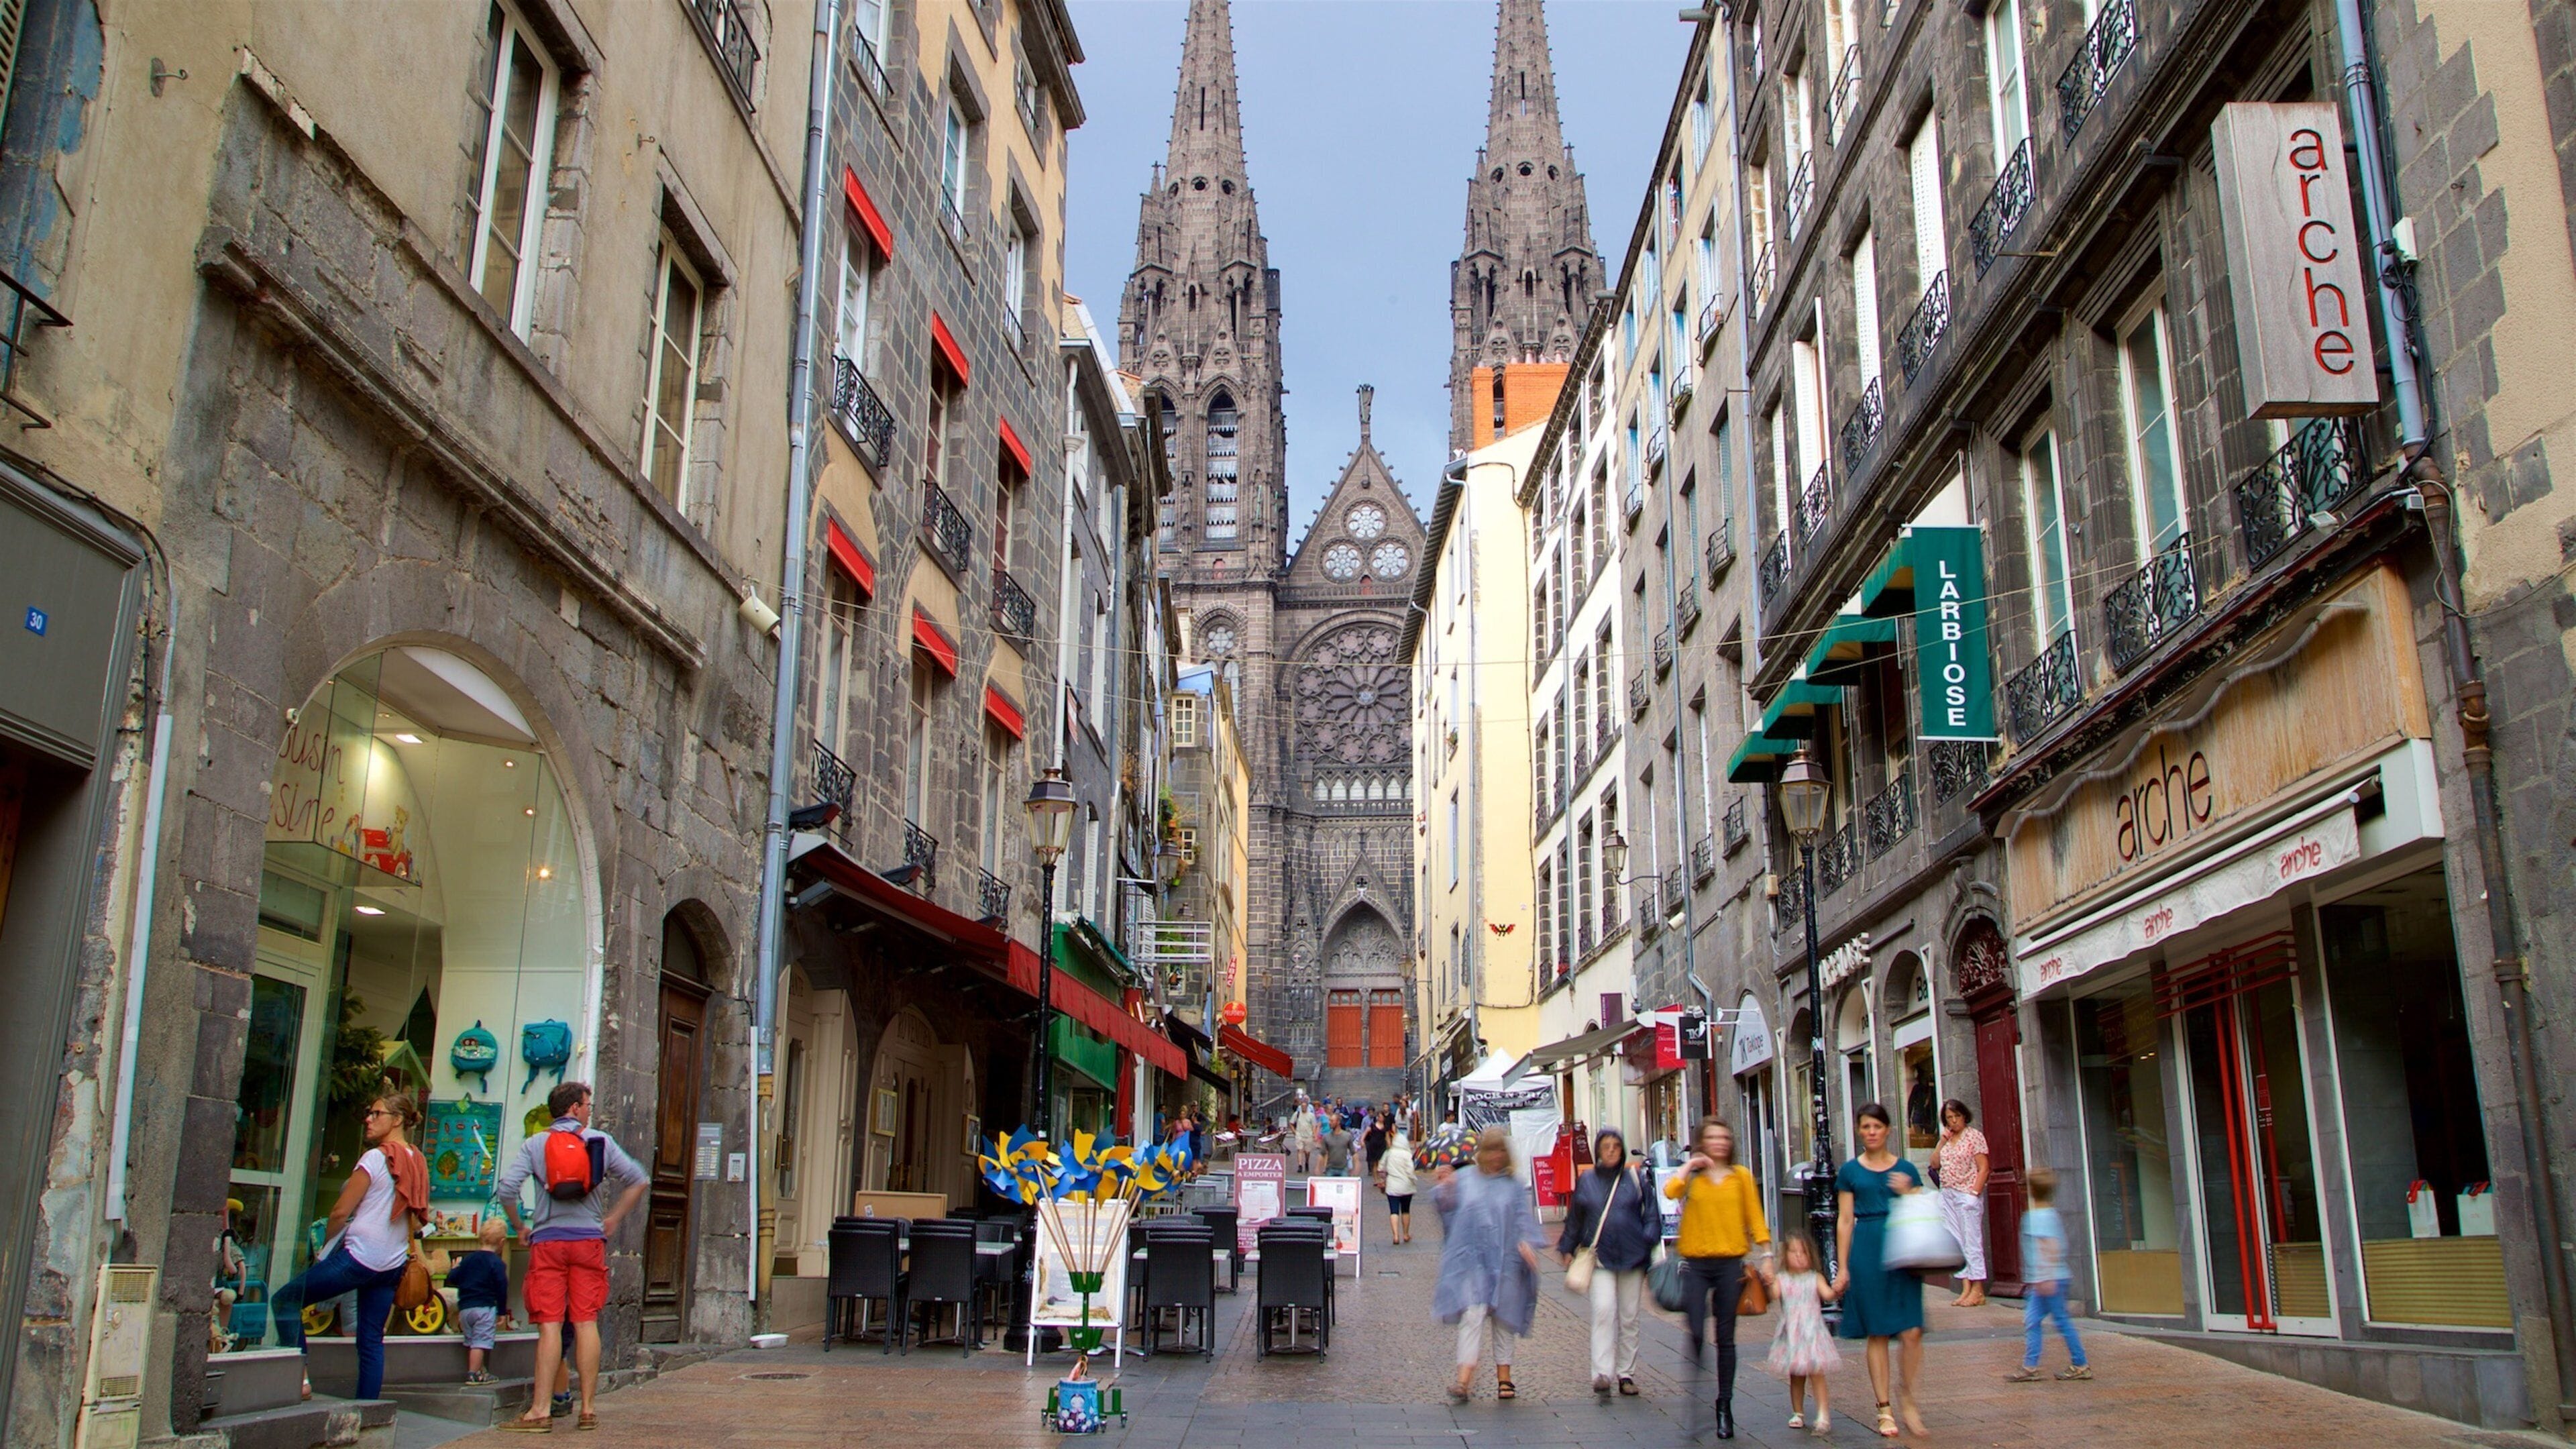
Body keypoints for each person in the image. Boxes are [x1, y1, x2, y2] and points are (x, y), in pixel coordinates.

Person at [496, 1081, 648, 1434]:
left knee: (549, 1324)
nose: (589, 1110)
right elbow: (638, 1179)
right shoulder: (598, 1141)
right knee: (585, 1322)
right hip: (588, 1242)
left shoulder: (536, 1144)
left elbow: (507, 1189)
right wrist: (612, 1218)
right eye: (587, 1104)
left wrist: (520, 1225)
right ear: (573, 1108)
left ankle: (540, 1410)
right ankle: (589, 1409)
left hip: (548, 1241)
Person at [270, 1090, 429, 1402]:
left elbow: (341, 1212)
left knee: (286, 1300)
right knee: (371, 1340)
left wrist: (327, 1247)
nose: (368, 1120)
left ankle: (299, 1378)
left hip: (358, 1257)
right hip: (391, 1264)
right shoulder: (416, 1159)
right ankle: (368, 1410)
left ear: (397, 1120)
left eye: (376, 1114)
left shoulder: (375, 1157)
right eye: (369, 1114)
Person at [1664, 1118, 1771, 1438]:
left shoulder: (1741, 1176)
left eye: (1725, 1137)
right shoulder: (1693, 1178)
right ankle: (1696, 1392)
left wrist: (1767, 1255)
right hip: (1695, 1264)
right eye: (1712, 1137)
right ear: (1702, 1141)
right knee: (1696, 1331)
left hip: (1730, 1263)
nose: (1720, 1142)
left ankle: (1724, 1405)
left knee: (1726, 1338)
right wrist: (1690, 1165)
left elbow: (1755, 1217)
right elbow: (1670, 1191)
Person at [1834, 1102, 1927, 1440]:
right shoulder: (1850, 1172)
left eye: (1876, 1126)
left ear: (1888, 1130)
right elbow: (1845, 1221)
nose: (1871, 1132)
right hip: (1868, 1248)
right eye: (1865, 1127)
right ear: (1859, 1131)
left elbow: (1922, 1210)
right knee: (1878, 1332)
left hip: (1903, 1250)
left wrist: (1909, 1191)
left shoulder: (1905, 1170)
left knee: (1912, 1330)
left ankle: (1909, 1397)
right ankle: (1884, 1408)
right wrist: (1842, 1267)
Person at [1432, 1126, 1546, 1401]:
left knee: (1504, 1319)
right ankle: (1463, 1379)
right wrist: (1444, 1190)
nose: (1496, 1156)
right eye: (1491, 1150)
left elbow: (1522, 1219)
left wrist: (1527, 1242)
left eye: (1500, 1151)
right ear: (1483, 1152)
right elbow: (1449, 1212)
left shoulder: (1513, 1186)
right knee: (1472, 1315)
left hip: (1506, 1261)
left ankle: (1504, 1378)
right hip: (1473, 1261)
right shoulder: (1466, 1180)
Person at [1555, 1127, 1660, 1396]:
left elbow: (1651, 1214)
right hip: (1600, 1256)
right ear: (1599, 1150)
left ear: (1622, 1149)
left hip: (1632, 1257)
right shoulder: (1588, 1181)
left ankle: (1626, 1373)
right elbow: (1577, 1218)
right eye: (1606, 1146)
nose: (1612, 1150)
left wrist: (1647, 1238)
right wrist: (1568, 1246)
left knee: (1629, 1317)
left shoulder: (1635, 1179)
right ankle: (1602, 1372)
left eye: (1616, 1146)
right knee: (1603, 1312)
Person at [2007, 1168, 2090, 1383]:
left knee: (2056, 1320)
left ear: (2031, 1191)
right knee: (2035, 1320)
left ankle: (2079, 1363)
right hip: (2050, 1277)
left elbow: (2049, 1246)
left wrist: (2046, 1276)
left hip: (2048, 1279)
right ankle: (2031, 1365)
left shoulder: (2036, 1217)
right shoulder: (2050, 1213)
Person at [1764, 1228, 1841, 1434]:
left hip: (1813, 1333)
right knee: (1796, 1375)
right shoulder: (1783, 1278)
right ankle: (1798, 1412)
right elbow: (1773, 1295)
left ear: (1811, 1256)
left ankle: (1823, 1413)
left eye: (1803, 1252)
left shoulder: (1814, 1278)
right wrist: (1768, 1282)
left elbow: (1828, 1294)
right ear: (1786, 1256)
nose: (1799, 1256)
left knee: (1817, 1373)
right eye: (1794, 1252)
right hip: (1793, 1334)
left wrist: (1837, 1290)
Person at [1935, 1099, 1991, 1308]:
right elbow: (1934, 1163)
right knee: (1957, 1243)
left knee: (1972, 1241)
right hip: (1948, 1193)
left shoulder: (1974, 1136)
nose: (1953, 1121)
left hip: (1966, 1193)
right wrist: (1942, 1142)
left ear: (1964, 1115)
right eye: (1949, 1118)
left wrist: (1974, 1193)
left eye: (1956, 1116)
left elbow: (1984, 1167)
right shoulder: (1948, 1141)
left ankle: (1978, 1289)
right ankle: (1966, 1287)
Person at [449, 1218, 515, 1385]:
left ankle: (480, 1370)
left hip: (465, 1309)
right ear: (502, 1242)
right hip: (484, 1308)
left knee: (472, 1342)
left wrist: (455, 1269)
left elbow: (453, 1279)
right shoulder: (496, 1263)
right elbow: (501, 1287)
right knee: (480, 1343)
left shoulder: (468, 1260)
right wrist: (501, 1311)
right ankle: (473, 1374)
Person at [1381, 1123, 1417, 1244]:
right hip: (1406, 1186)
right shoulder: (1407, 1154)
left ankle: (1396, 1236)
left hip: (1392, 1185)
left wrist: (1383, 1179)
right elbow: (1410, 1171)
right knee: (1406, 1211)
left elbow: (1381, 1168)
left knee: (1394, 1211)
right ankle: (1406, 1234)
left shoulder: (1389, 1153)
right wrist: (1414, 1180)